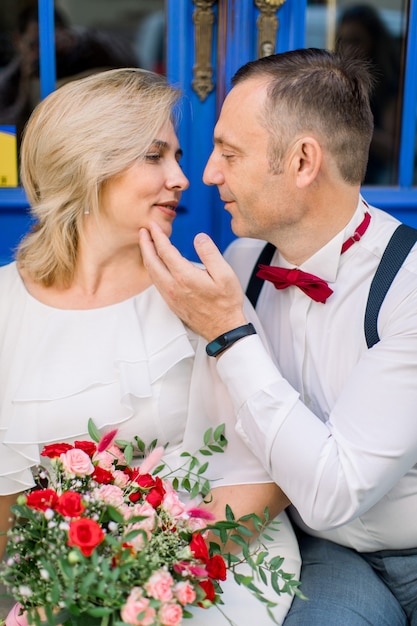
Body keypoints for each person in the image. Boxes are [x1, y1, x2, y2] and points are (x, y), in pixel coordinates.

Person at [0, 67, 301, 625]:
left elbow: (274, 468)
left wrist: (152, 579)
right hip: (54, 586)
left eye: (177, 156)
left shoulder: (201, 295)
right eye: (155, 156)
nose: (183, 178)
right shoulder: (4, 308)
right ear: (88, 165)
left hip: (212, 569)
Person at [138, 48, 417, 625]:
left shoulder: (408, 287)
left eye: (230, 153)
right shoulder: (237, 266)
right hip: (323, 552)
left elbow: (336, 491)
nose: (208, 174)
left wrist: (232, 333)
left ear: (302, 161)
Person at [0, 3, 137, 151]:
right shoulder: (11, 80)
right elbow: (6, 138)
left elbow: (130, 62)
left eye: (49, 44)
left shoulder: (86, 51)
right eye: (35, 44)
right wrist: (25, 88)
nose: (43, 52)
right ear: (17, 41)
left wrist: (77, 43)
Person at [335, 4, 402, 184]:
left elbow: (394, 149)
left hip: (379, 182)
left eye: (356, 41)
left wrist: (352, 126)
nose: (348, 49)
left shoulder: (389, 88)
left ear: (374, 43)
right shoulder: (337, 83)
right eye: (343, 41)